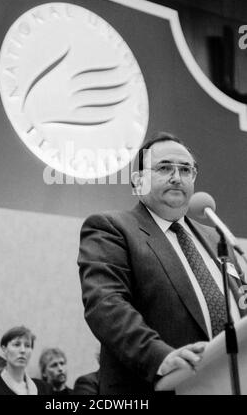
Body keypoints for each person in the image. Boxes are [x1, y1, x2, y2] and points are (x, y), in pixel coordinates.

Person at [78, 132, 247, 395]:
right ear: (138, 181)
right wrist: (159, 357)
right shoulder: (111, 228)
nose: (177, 177)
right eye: (164, 167)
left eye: (185, 169)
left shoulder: (218, 237)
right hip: (157, 386)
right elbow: (105, 304)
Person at [0, 326, 49, 395]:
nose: (23, 350)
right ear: (4, 349)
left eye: (27, 346)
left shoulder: (44, 388)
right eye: (16, 345)